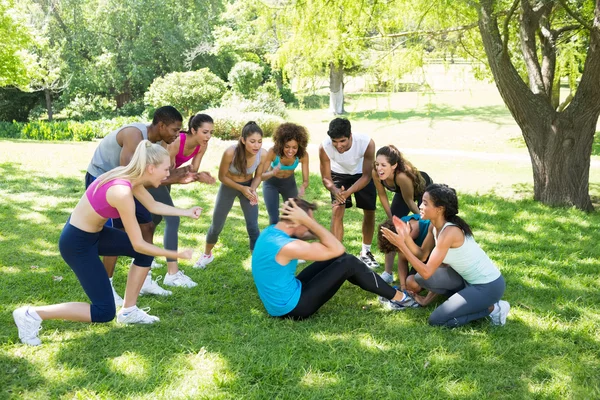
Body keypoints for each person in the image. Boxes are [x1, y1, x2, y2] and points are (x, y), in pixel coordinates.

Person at [13, 141, 202, 346]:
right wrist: (175, 255)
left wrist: (185, 212)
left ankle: (129, 311)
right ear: (151, 168)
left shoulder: (130, 177)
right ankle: (31, 314)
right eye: (166, 169)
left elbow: (153, 204)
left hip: (94, 235)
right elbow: (138, 243)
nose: (167, 174)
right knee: (104, 311)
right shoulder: (121, 192)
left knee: (145, 254)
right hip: (77, 244)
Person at [86, 106, 192, 304]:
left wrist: (179, 175)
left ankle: (144, 280)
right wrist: (175, 179)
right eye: (175, 130)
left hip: (125, 181)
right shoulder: (134, 135)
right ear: (161, 125)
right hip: (103, 179)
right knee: (116, 232)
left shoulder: (158, 142)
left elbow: (147, 178)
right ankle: (107, 286)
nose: (177, 135)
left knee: (148, 225)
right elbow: (129, 174)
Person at [251, 198, 414, 319]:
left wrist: (334, 218)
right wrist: (308, 221)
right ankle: (401, 299)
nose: (310, 225)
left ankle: (388, 293)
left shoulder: (272, 232)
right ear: (295, 222)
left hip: (283, 299)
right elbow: (337, 247)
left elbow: (334, 249)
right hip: (293, 308)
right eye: (307, 222)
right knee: (349, 262)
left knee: (341, 258)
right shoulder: (288, 246)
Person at [381, 183, 510, 327]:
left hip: (488, 285)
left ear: (439, 209)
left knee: (437, 320)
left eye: (425, 203)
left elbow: (426, 271)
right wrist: (406, 239)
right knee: (418, 278)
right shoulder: (434, 226)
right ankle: (468, 300)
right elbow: (423, 255)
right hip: (465, 280)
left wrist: (401, 245)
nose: (420, 207)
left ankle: (494, 308)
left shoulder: (449, 232)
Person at [147, 113, 216, 288]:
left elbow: (191, 171)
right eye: (205, 132)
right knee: (172, 218)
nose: (208, 137)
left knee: (155, 218)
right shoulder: (178, 141)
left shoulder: (201, 146)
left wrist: (200, 176)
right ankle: (172, 273)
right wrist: (193, 176)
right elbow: (166, 174)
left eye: (211, 133)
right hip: (154, 176)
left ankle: (146, 256)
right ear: (193, 130)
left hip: (166, 176)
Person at [194, 121, 269, 268]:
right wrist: (241, 189)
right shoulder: (230, 152)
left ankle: (257, 263)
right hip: (229, 186)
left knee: (253, 226)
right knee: (217, 225)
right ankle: (207, 255)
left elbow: (259, 176)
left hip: (248, 187)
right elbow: (222, 177)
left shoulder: (263, 154)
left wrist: (252, 189)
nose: (256, 145)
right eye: (252, 141)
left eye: (259, 141)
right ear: (243, 140)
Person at [319, 118, 379, 268]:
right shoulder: (324, 147)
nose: (338, 146)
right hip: (338, 174)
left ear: (350, 135)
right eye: (335, 141)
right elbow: (326, 178)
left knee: (369, 211)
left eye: (342, 141)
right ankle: (337, 255)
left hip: (361, 174)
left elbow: (366, 175)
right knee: (337, 209)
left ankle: (366, 252)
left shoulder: (366, 143)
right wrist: (335, 190)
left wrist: (349, 192)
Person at [373, 145, 432, 284]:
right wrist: (391, 219)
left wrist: (426, 220)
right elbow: (382, 195)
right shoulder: (376, 173)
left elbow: (410, 202)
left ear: (393, 166)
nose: (379, 168)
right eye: (377, 164)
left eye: (383, 165)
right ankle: (387, 273)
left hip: (423, 190)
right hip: (403, 193)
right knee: (392, 228)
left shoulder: (402, 177)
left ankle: (425, 255)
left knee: (425, 224)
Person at [262, 122, 309, 225]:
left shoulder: (303, 156)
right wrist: (272, 173)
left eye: (294, 147)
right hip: (271, 184)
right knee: (274, 219)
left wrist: (303, 187)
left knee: (292, 217)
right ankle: (274, 240)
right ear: (281, 143)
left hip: (289, 184)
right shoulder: (273, 152)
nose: (290, 151)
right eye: (287, 146)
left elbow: (306, 180)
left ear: (300, 146)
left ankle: (289, 240)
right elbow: (260, 176)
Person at [377, 215, 433, 291]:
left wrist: (406, 241)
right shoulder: (402, 225)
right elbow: (402, 259)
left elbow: (423, 257)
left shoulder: (428, 227)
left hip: (436, 260)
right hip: (421, 262)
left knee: (413, 284)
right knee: (411, 283)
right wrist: (403, 287)